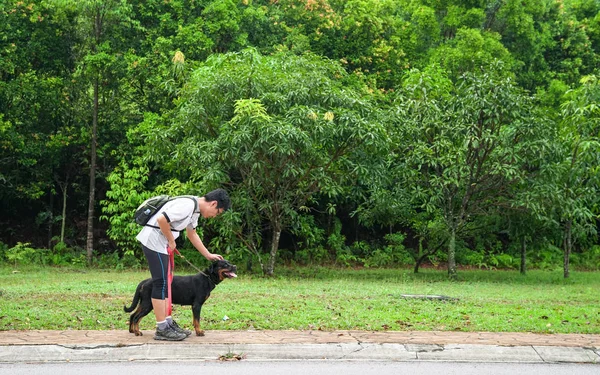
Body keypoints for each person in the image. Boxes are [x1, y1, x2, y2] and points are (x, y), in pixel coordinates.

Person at [135, 188, 231, 341]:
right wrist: (171, 240)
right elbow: (161, 220)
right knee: (160, 283)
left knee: (166, 283)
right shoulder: (187, 205)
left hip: (161, 244)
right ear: (213, 204)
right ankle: (162, 329)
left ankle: (167, 323)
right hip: (153, 242)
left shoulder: (195, 210)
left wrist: (208, 254)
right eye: (217, 212)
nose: (214, 216)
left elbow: (191, 233)